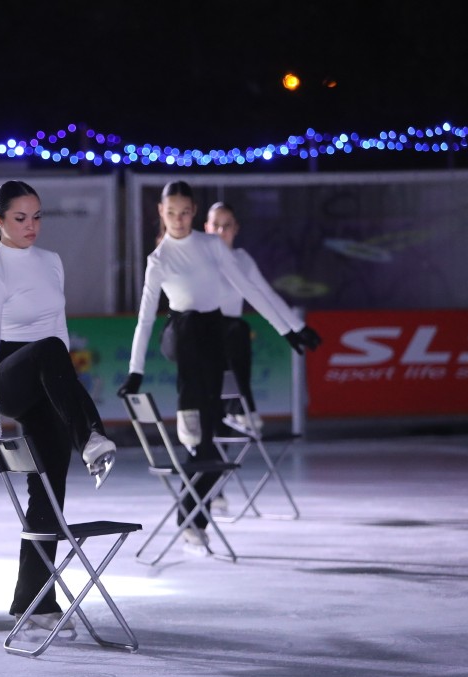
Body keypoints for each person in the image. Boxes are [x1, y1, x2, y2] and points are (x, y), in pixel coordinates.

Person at [117, 181, 320, 554]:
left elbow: (250, 288)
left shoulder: (211, 246)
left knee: (205, 448)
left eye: (184, 212)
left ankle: (194, 521)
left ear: (193, 212)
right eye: (170, 212)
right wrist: (135, 371)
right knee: (194, 331)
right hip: (179, 333)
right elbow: (145, 319)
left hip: (211, 341)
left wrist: (290, 330)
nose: (177, 219)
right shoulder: (159, 259)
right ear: (161, 213)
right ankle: (188, 410)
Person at [0, 180, 116, 640]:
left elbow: (61, 330)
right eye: (20, 218)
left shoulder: (51, 263)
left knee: (49, 491)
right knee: (48, 348)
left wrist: (65, 395)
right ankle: (91, 436)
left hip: (46, 379)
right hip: (10, 376)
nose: (31, 226)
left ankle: (34, 601)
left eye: (37, 216)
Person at [205, 201, 321, 434]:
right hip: (200, 332)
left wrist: (297, 327)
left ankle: (239, 408)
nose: (221, 232)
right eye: (216, 225)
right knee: (233, 330)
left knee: (237, 330)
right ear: (206, 227)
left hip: (229, 338)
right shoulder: (199, 258)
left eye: (227, 226)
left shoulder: (242, 260)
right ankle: (240, 407)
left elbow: (266, 294)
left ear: (236, 228)